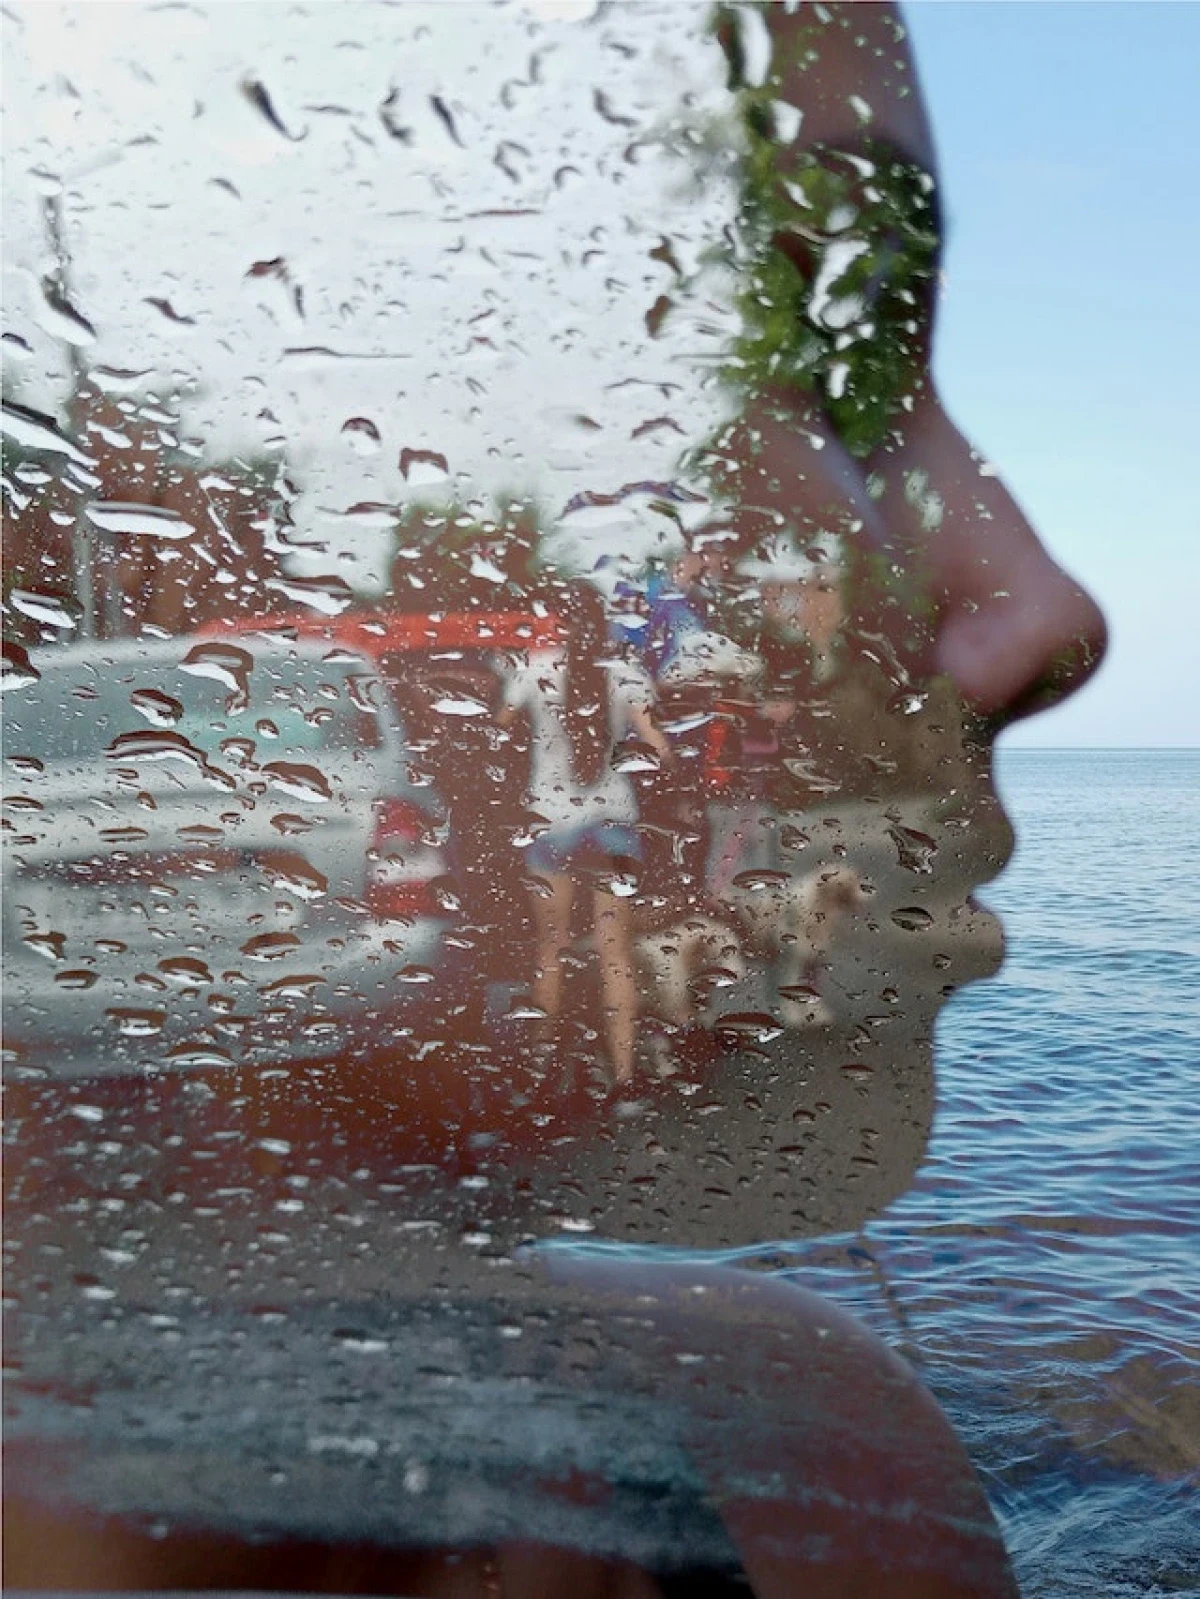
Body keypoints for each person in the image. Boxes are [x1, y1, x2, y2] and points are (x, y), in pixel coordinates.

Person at [2, 3, 1107, 1595]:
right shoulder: (805, 1489)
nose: (1050, 609)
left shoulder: (826, 1455)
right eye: (805, 341)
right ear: (86, 529)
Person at [498, 578, 673, 1085]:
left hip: (550, 824)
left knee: (549, 948)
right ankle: (622, 1078)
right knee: (615, 954)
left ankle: (540, 1071)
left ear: (564, 620)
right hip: (614, 825)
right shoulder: (623, 670)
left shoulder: (537, 665)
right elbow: (655, 742)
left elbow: (500, 723)